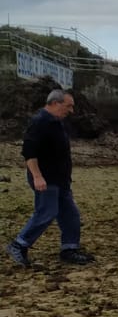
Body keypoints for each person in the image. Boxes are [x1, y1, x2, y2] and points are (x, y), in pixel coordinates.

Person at [8, 88, 95, 268]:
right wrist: (38, 177)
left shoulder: (57, 122)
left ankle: (69, 249)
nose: (71, 111)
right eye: (68, 106)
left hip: (60, 179)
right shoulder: (40, 122)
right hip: (45, 178)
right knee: (46, 212)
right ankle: (19, 244)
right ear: (55, 103)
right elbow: (29, 154)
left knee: (70, 214)